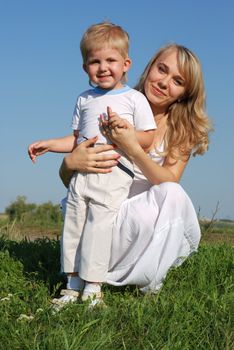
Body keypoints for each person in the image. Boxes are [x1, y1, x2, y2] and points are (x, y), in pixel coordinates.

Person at [59, 43, 213, 297]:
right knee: (79, 199)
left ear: (184, 93)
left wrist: (133, 148)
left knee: (173, 194)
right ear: (149, 67)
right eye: (161, 69)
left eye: (177, 81)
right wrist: (68, 164)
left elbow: (168, 181)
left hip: (138, 224)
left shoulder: (182, 129)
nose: (164, 82)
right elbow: (73, 180)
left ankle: (140, 274)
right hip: (100, 207)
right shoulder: (115, 105)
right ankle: (81, 273)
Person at [28, 22, 156, 307]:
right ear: (85, 67)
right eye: (94, 61)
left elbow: (147, 138)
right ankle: (72, 284)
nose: (103, 67)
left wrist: (125, 131)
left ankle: (93, 287)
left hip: (112, 169)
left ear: (126, 64)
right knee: (74, 225)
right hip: (81, 172)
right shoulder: (84, 99)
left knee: (99, 226)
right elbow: (76, 140)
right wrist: (50, 144)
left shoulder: (134, 99)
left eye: (111, 60)